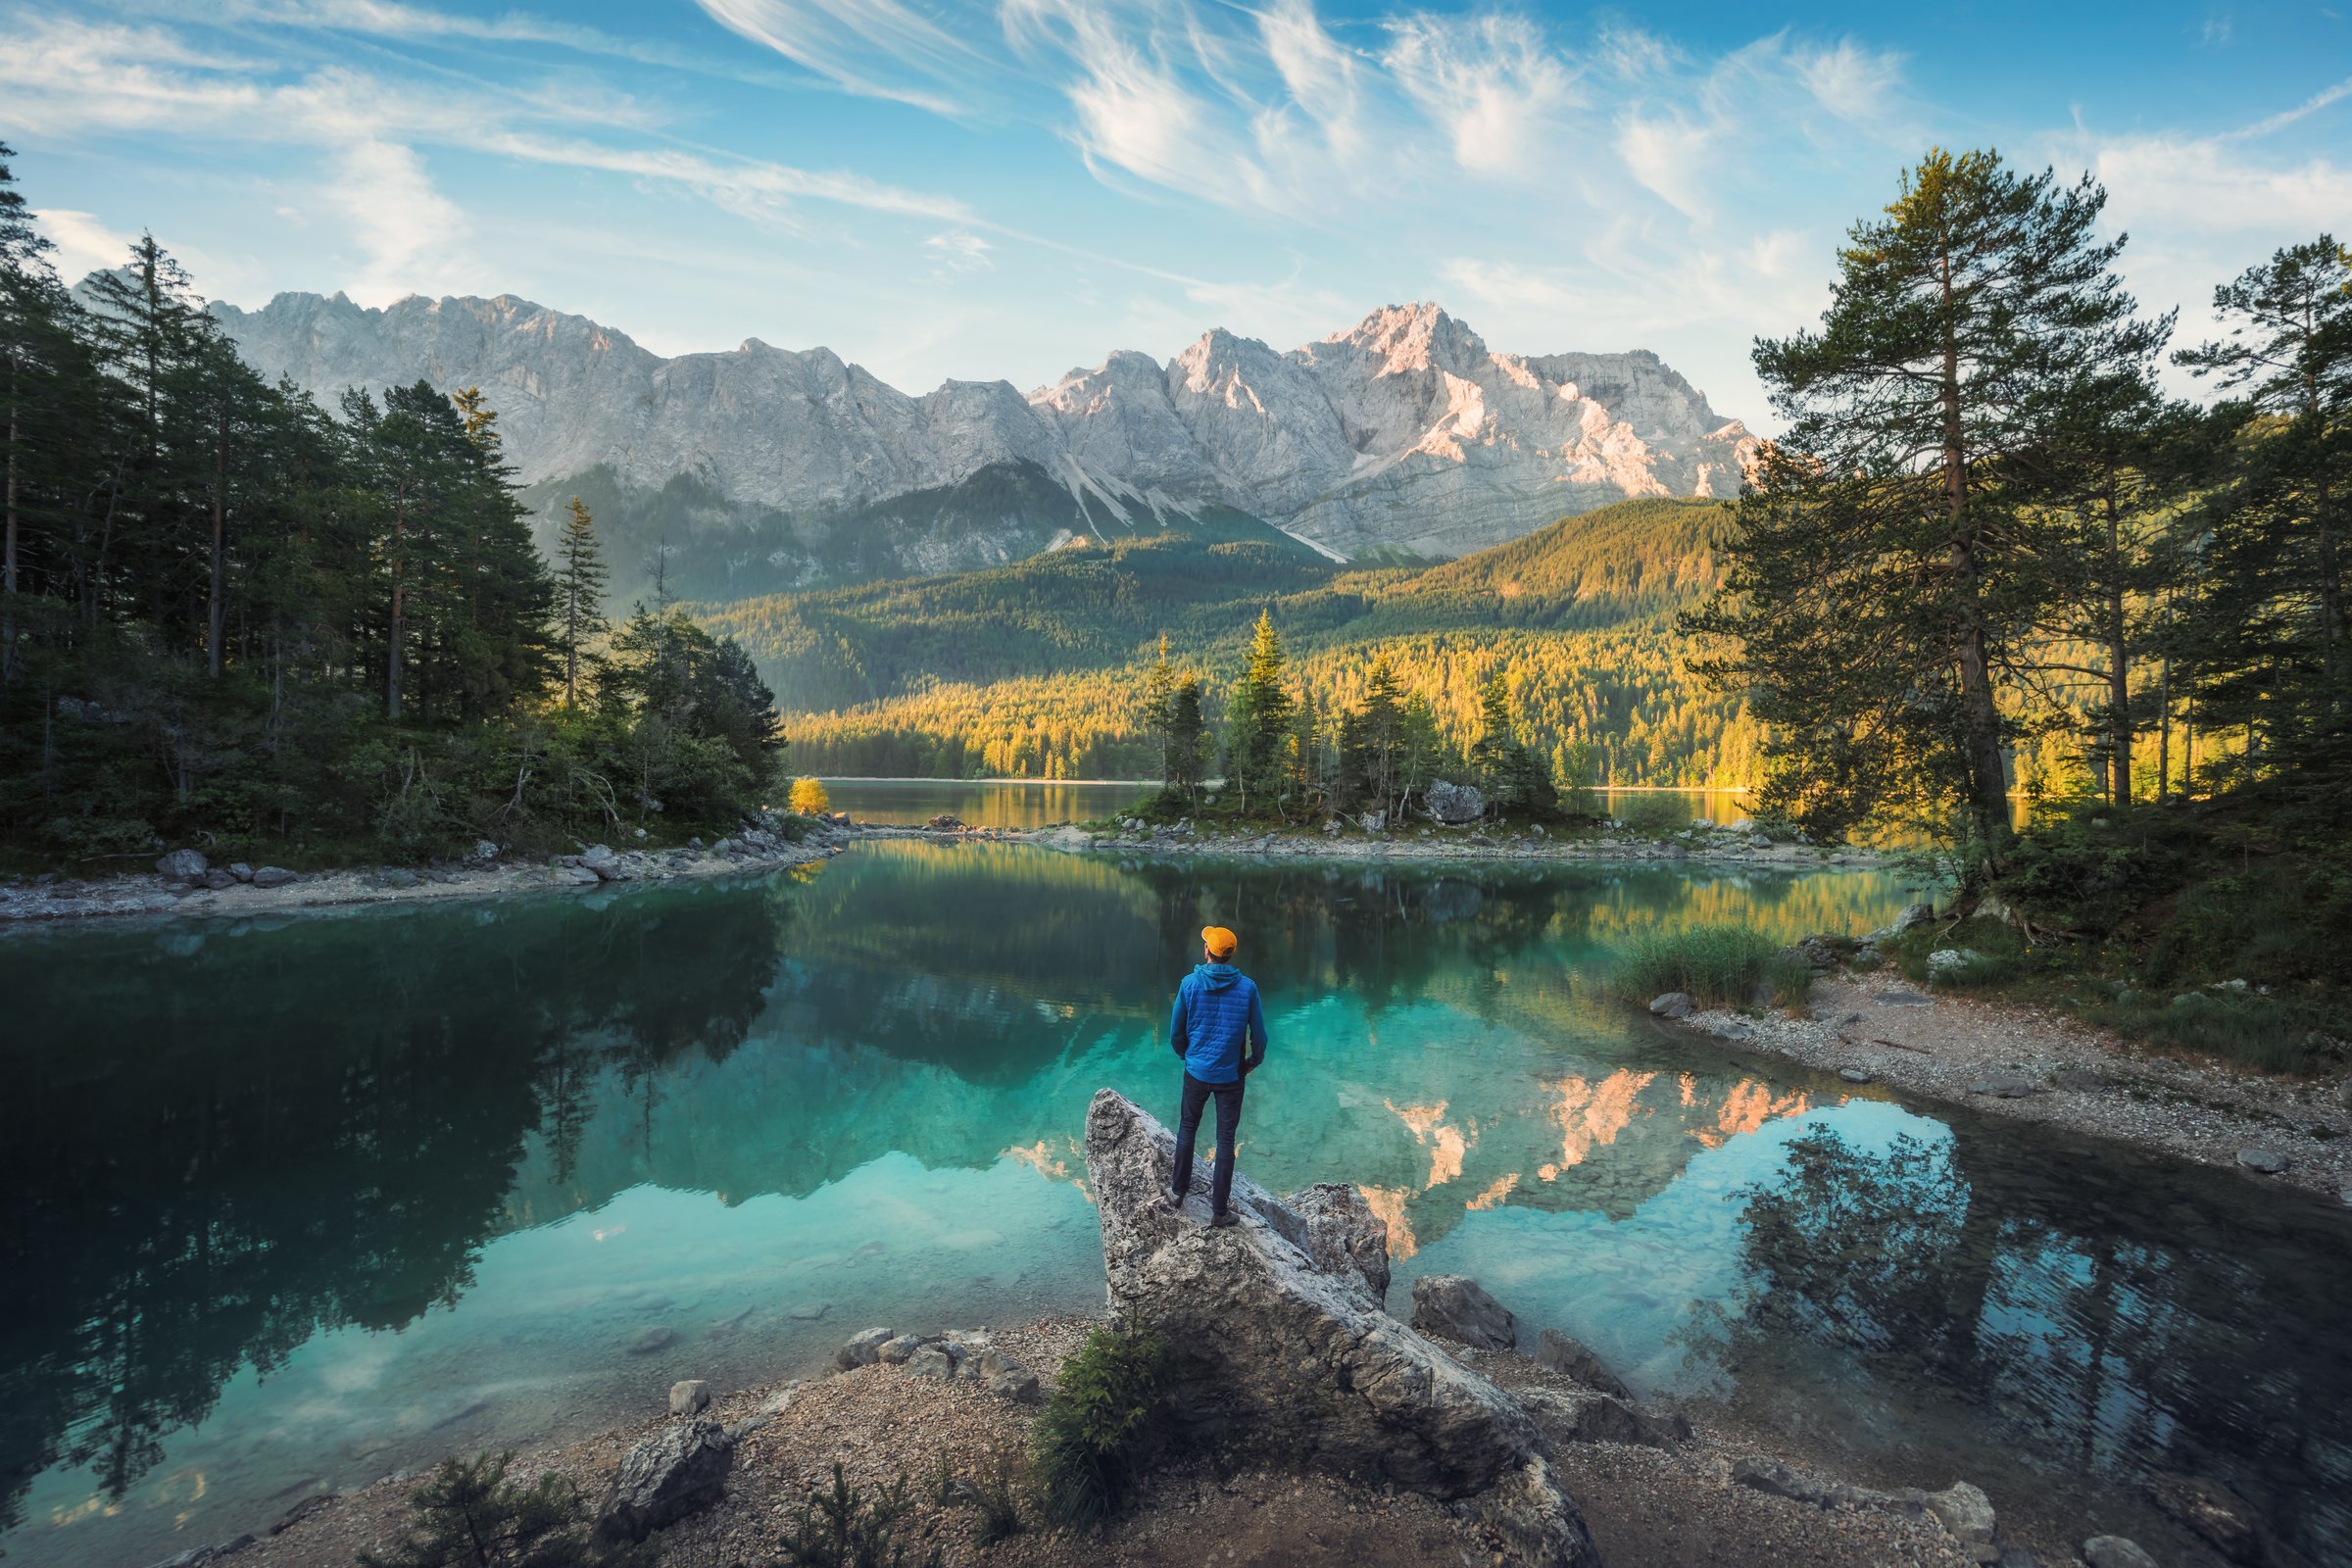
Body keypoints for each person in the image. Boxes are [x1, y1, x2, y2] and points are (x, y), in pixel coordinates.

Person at [1165, 924, 1267, 1227]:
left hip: (1196, 1071)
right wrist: (1252, 1062)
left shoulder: (1189, 984)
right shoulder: (1248, 988)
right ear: (1230, 955)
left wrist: (1189, 1056)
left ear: (1207, 951)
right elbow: (1259, 1035)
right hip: (1231, 1076)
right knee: (1225, 1142)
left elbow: (1176, 1034)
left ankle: (1176, 1192)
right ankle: (1219, 1211)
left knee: (1187, 1129)